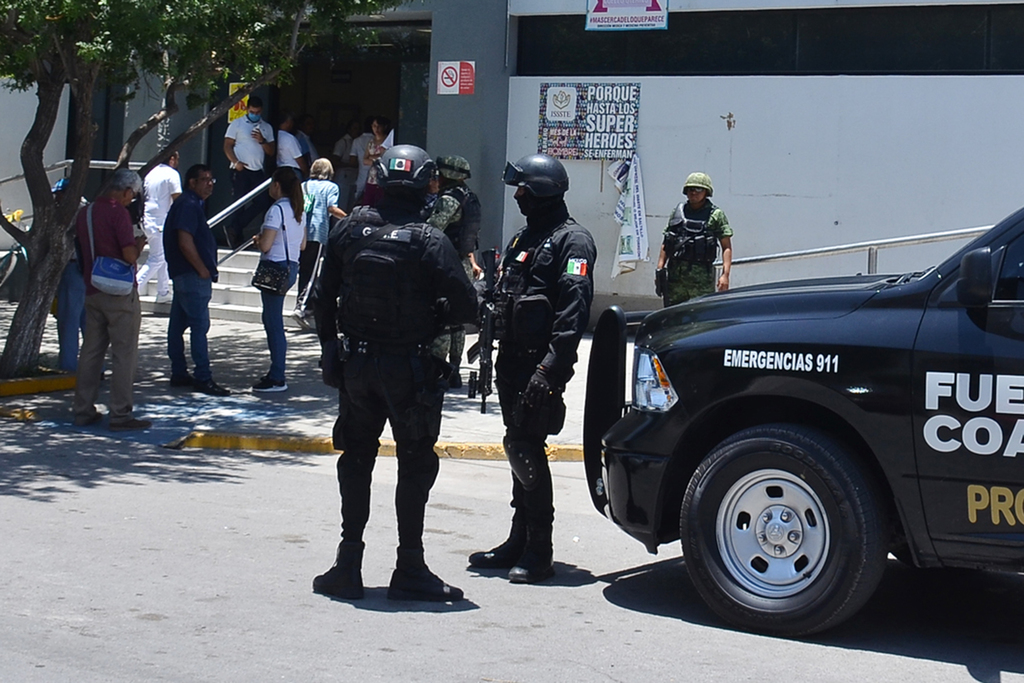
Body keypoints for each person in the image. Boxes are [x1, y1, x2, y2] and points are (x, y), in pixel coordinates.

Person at [310, 144, 477, 602]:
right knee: (415, 464)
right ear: (427, 185)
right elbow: (466, 306)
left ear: (380, 180)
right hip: (410, 369)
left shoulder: (349, 228)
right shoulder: (429, 239)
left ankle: (347, 563)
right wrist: (434, 314)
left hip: (357, 367)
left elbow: (321, 298)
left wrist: (330, 351)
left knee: (356, 461)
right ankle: (410, 566)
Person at [467, 153, 596, 584]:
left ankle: (540, 549)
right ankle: (518, 538)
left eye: (523, 189)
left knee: (527, 449)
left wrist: (551, 370)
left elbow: (573, 313)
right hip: (510, 359)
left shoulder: (572, 241)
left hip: (538, 366)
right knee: (516, 445)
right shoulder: (525, 238)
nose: (518, 196)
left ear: (542, 190)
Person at [72, 169, 151, 431]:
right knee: (124, 354)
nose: (132, 200)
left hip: (92, 287)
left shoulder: (87, 212)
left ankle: (83, 409)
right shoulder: (119, 213)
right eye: (132, 195)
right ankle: (120, 414)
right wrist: (140, 244)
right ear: (126, 191)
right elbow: (129, 255)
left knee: (91, 352)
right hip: (119, 292)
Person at [163, 164, 230, 397]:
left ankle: (179, 372)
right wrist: (202, 269)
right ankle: (203, 376)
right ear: (192, 182)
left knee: (178, 325)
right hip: (191, 275)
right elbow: (185, 240)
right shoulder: (189, 205)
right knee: (199, 327)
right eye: (205, 180)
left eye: (212, 180)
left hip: (185, 274)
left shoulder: (190, 204)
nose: (210, 184)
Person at [426, 155, 482, 389]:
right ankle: (455, 368)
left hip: (446, 264)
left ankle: (440, 370)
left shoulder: (449, 199)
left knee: (443, 317)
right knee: (458, 319)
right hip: (464, 263)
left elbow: (432, 229)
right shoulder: (470, 197)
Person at [253, 167, 306, 392]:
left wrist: (258, 240)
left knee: (273, 321)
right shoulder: (299, 210)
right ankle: (276, 373)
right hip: (291, 266)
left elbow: (266, 245)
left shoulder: (276, 210)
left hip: (274, 266)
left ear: (276, 185)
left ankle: (277, 375)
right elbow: (302, 245)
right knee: (272, 318)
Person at [655, 172, 733, 307]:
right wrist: (660, 269)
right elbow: (667, 242)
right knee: (673, 315)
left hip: (701, 280)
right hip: (676, 279)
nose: (694, 192)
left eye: (698, 189)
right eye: (690, 189)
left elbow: (726, 247)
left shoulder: (715, 215)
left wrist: (725, 275)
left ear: (706, 192)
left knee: (702, 315)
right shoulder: (678, 212)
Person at [293, 158, 345, 328]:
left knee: (305, 269)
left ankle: (307, 306)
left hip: (300, 232)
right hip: (317, 232)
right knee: (312, 271)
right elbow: (331, 208)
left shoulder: (303, 186)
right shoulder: (331, 187)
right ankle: (301, 307)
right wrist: (348, 218)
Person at [223, 95, 275, 246]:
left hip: (257, 169)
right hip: (240, 169)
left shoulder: (266, 127)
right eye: (252, 112)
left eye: (257, 112)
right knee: (239, 204)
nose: (255, 115)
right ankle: (235, 237)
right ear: (247, 109)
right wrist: (235, 162)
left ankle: (234, 228)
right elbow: (227, 146)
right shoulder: (237, 124)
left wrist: (262, 140)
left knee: (262, 201)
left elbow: (271, 151)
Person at [136, 150, 182, 303]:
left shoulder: (151, 173)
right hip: (160, 223)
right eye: (177, 158)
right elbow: (178, 199)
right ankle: (133, 287)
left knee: (163, 256)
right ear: (172, 158)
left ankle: (163, 292)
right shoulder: (172, 174)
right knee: (157, 258)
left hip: (147, 220)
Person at [52, 178, 87, 372]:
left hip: (72, 267)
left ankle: (68, 366)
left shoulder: (68, 213)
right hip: (88, 270)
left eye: (59, 194)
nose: (56, 199)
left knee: (68, 321)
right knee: (88, 323)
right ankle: (95, 367)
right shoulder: (89, 210)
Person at [357, 116, 391, 208]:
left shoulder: (388, 141)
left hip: (383, 177)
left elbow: (385, 157)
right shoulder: (371, 142)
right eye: (374, 126)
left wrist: (372, 157)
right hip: (371, 178)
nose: (376, 129)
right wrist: (377, 160)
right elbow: (365, 160)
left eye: (379, 126)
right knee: (368, 203)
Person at [332, 119, 363, 211]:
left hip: (353, 177)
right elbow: (335, 160)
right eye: (355, 128)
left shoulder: (358, 141)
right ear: (349, 129)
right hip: (343, 177)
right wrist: (350, 164)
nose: (357, 131)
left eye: (358, 129)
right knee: (342, 204)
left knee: (351, 205)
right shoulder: (343, 142)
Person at [349, 116, 374, 205]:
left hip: (360, 178)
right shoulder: (378, 141)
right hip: (374, 178)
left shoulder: (357, 141)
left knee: (356, 203)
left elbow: (352, 161)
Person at [276, 111, 309, 179]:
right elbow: (299, 158)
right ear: (288, 122)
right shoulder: (289, 138)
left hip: (279, 171)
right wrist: (306, 173)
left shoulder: (274, 136)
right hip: (292, 172)